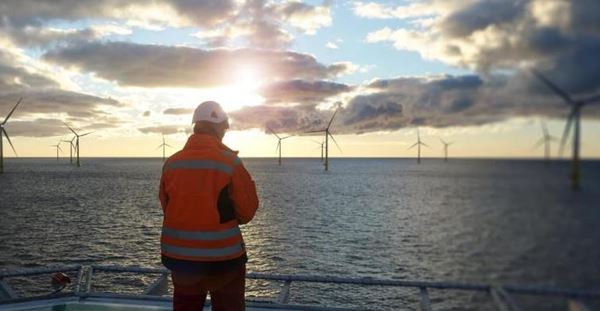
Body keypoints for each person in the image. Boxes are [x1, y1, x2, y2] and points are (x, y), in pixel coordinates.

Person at [158, 101, 259, 311]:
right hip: (223, 259)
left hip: (181, 259)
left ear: (196, 126)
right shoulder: (230, 163)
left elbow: (166, 206)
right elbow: (247, 211)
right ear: (219, 127)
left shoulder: (172, 163)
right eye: (224, 128)